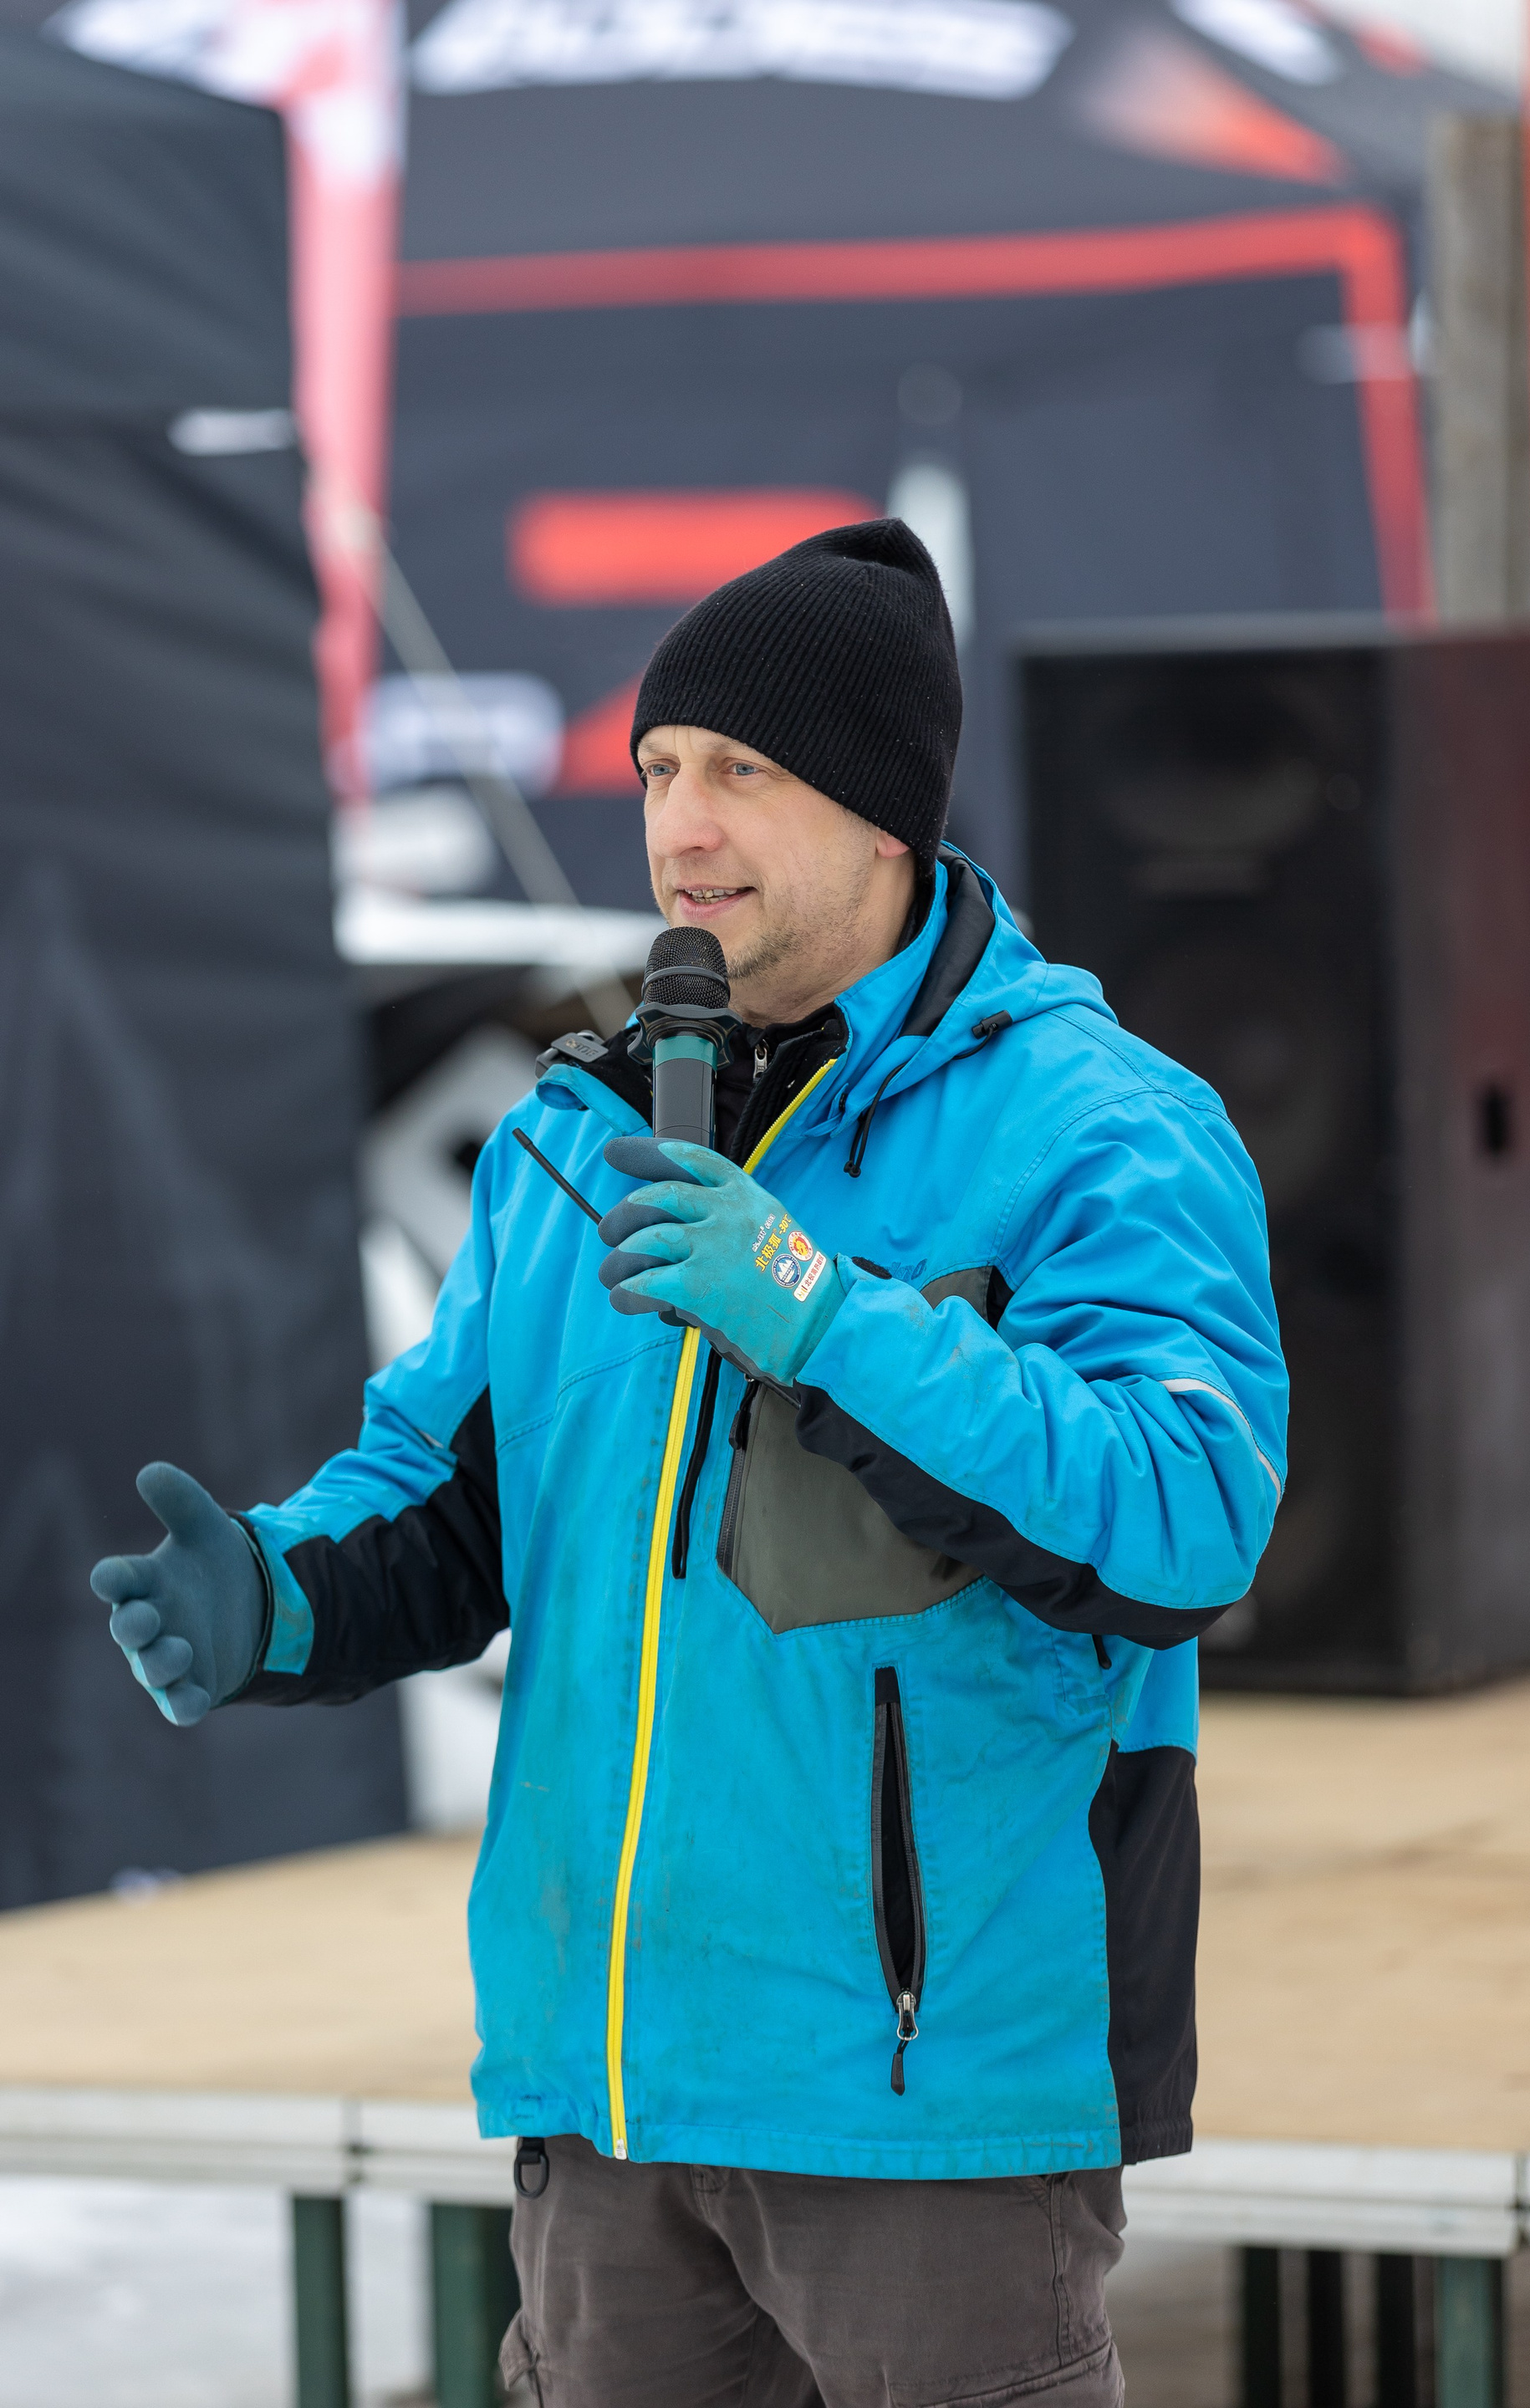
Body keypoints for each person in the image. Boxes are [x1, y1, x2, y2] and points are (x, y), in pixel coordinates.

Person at [92, 519, 1286, 2406]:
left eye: (743, 770)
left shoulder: (1102, 1125)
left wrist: (822, 1315)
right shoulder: (574, 1139)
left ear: (884, 819)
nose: (681, 825)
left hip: (928, 2107)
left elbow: (1187, 1517)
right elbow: (451, 1498)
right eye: (659, 768)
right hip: (611, 2102)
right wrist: (276, 1591)